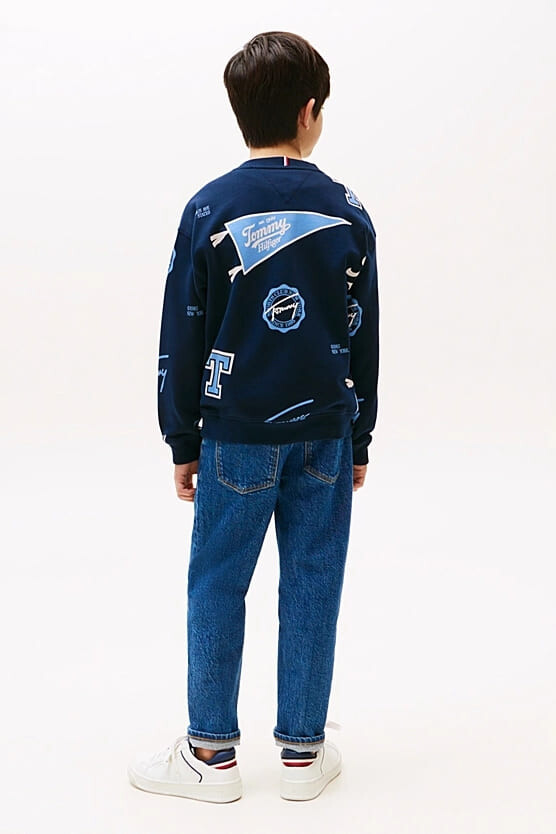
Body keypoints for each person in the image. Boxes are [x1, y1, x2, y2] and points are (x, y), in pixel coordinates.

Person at [128, 30, 379, 803]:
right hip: (325, 434)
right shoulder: (347, 211)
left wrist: (182, 437)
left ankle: (210, 755)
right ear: (310, 111)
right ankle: (303, 756)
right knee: (313, 581)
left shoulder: (209, 207)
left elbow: (182, 331)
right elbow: (363, 335)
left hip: (234, 435)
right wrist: (360, 437)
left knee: (217, 582)